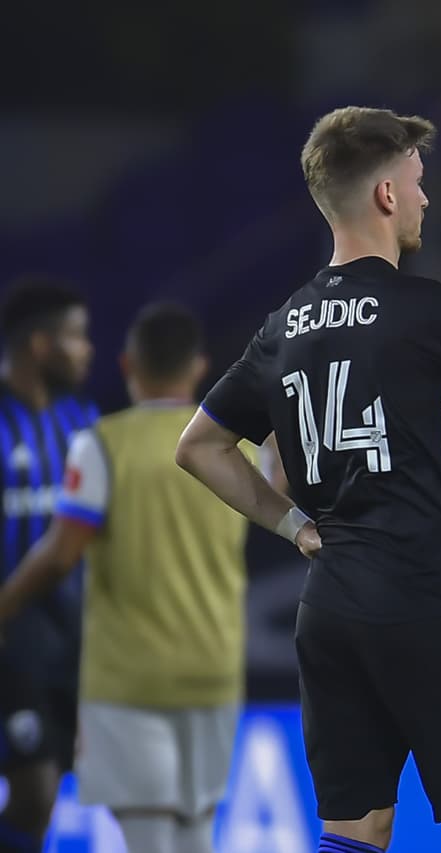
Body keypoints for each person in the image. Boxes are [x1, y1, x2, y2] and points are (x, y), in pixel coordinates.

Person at [174, 107, 441, 853]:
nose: (426, 199)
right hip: (425, 598)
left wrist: (293, 526)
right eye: (419, 183)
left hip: (326, 609)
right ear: (388, 196)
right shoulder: (435, 311)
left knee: (357, 827)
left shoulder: (282, 326)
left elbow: (199, 445)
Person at [0, 303, 267, 853]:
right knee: (195, 837)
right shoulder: (230, 451)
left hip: (129, 684)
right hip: (212, 674)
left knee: (148, 842)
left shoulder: (101, 445)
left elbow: (58, 556)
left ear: (128, 365)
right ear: (198, 367)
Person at [0, 280, 96, 853]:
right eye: (75, 337)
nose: (87, 350)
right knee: (33, 790)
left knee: (43, 801)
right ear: (40, 346)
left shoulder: (81, 422)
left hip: (70, 647)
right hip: (10, 648)